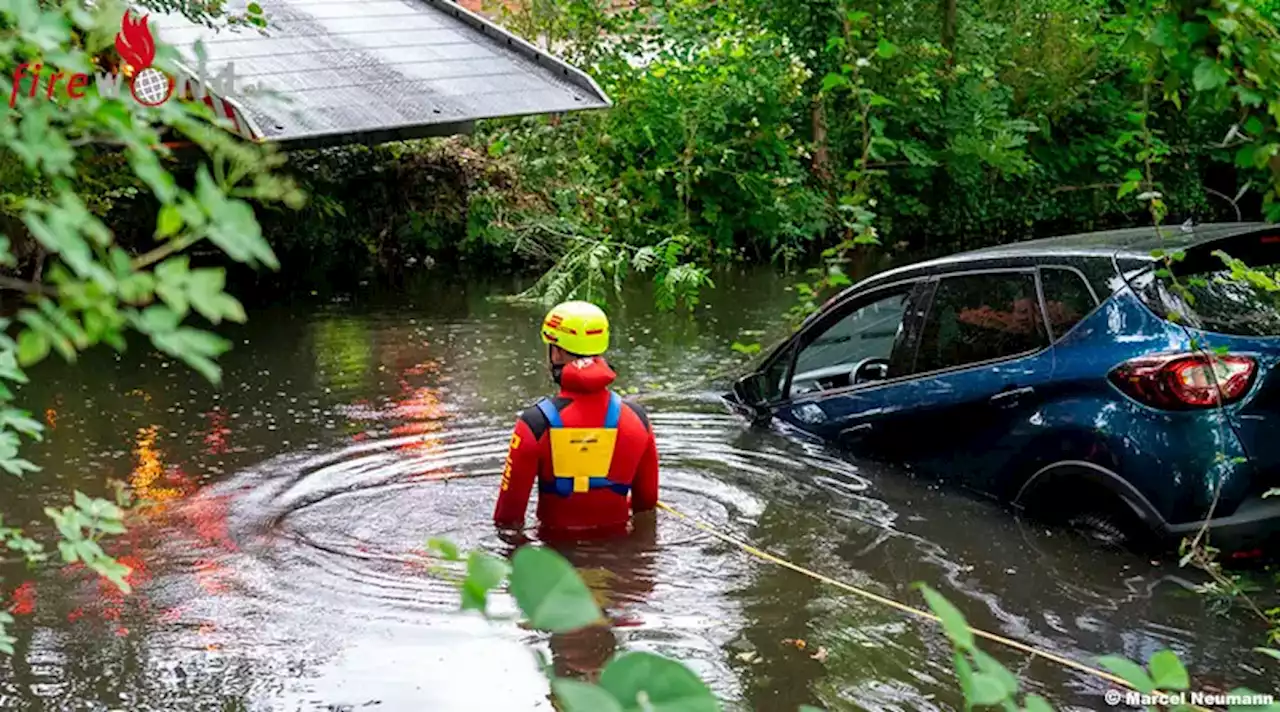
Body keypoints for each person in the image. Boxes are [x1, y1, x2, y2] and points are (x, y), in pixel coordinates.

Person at [493, 300, 659, 539]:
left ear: (557, 352)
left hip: (556, 565)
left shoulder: (535, 424)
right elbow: (646, 506)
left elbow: (507, 519)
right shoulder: (638, 420)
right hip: (621, 564)